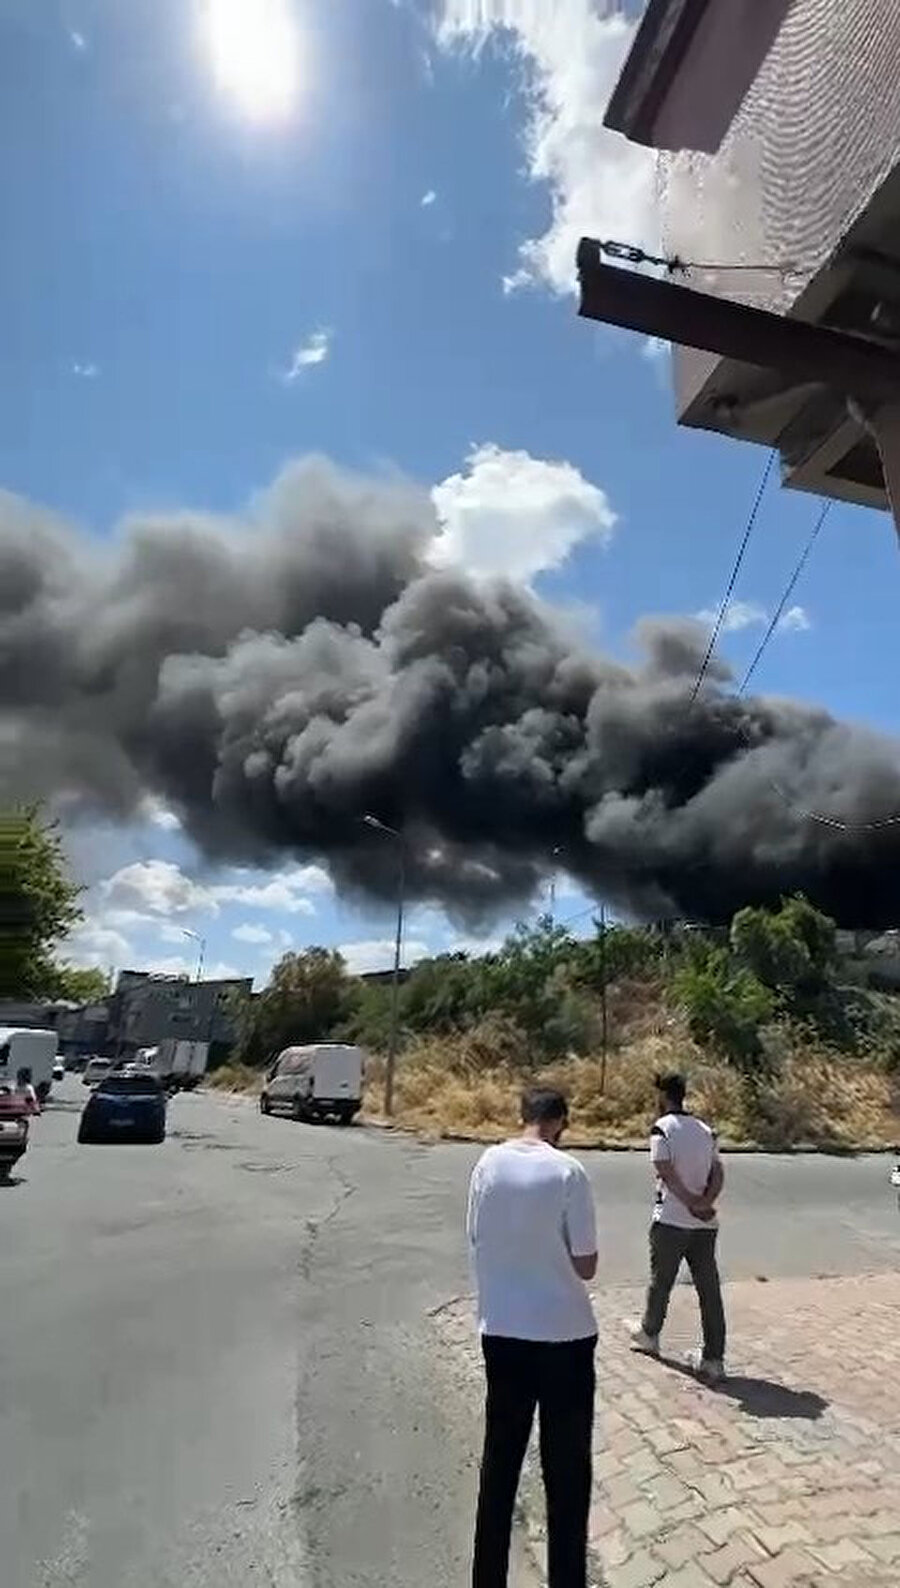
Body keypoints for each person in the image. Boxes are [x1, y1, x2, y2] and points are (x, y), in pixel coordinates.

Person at [467, 1087, 598, 1588]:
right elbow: (586, 1265)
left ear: (522, 1116)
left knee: (499, 1463)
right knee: (566, 1474)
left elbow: (476, 1238)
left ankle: (487, 1578)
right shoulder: (568, 1173)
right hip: (564, 1337)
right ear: (561, 1122)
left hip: (502, 1332)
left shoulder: (486, 1166)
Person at [630, 1072, 726, 1381]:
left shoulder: (662, 1129)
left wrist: (688, 1202)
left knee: (661, 1282)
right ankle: (714, 1358)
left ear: (662, 1097)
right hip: (705, 1224)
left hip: (671, 1219)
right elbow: (718, 1171)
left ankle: (650, 1334)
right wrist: (704, 1201)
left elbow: (665, 1172)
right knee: (709, 1290)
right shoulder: (705, 1129)